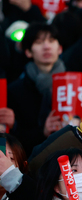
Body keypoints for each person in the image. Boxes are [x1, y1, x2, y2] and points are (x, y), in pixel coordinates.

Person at [7, 23, 74, 155]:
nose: (46, 46)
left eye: (51, 40)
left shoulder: (75, 84)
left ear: (60, 48)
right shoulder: (15, 91)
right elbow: (14, 141)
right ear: (28, 52)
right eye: (39, 42)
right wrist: (41, 131)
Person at [0, 133, 37, 200]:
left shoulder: (30, 199)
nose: (2, 162)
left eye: (10, 159)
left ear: (23, 165)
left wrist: (9, 175)